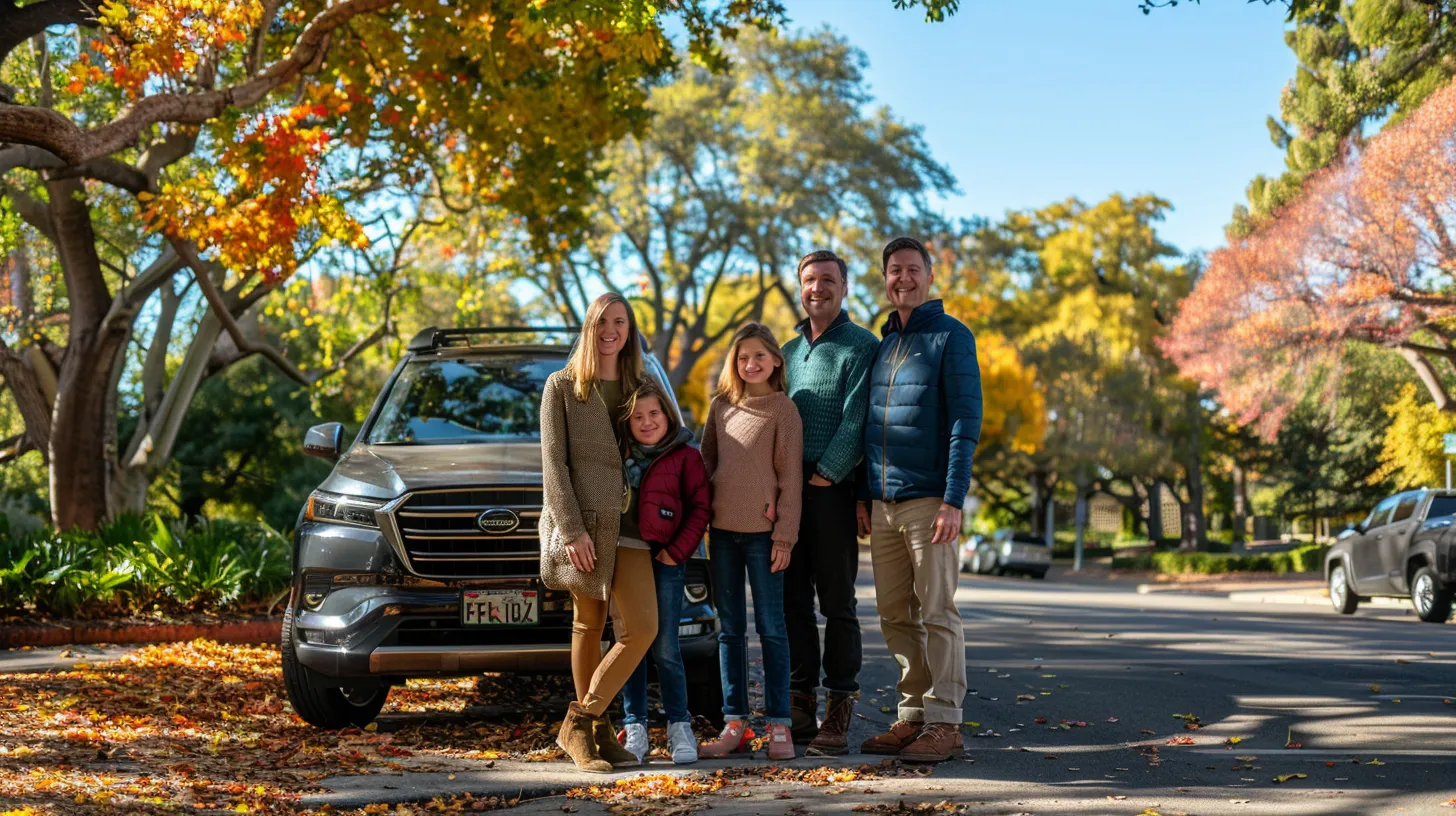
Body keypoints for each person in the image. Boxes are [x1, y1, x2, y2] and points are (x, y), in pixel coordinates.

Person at [857, 236, 982, 763]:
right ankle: (913, 715)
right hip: (882, 501)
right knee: (893, 614)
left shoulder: (951, 337)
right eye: (893, 271)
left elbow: (964, 420)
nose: (902, 278)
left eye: (912, 269)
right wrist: (865, 494)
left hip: (929, 499)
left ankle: (946, 721)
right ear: (884, 279)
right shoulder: (883, 344)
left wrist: (953, 499)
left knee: (937, 612)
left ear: (929, 278)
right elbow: (870, 425)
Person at [539, 292, 657, 774]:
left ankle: (581, 720)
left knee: (642, 627)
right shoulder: (563, 386)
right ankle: (596, 735)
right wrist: (571, 530)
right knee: (588, 624)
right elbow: (553, 465)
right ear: (589, 326)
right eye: (603, 321)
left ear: (629, 331)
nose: (612, 330)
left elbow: (665, 437)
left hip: (634, 526)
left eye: (621, 322)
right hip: (585, 527)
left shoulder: (641, 382)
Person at [780, 250, 878, 755]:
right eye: (809, 280)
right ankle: (800, 703)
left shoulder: (862, 346)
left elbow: (857, 420)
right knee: (792, 600)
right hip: (785, 491)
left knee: (837, 603)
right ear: (801, 287)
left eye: (827, 280)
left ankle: (839, 709)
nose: (817, 287)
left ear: (844, 287)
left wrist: (827, 475)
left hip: (830, 491)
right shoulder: (786, 350)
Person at [698, 322, 804, 761]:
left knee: (772, 629)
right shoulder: (721, 406)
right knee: (730, 633)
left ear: (776, 360)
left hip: (764, 537)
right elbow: (704, 465)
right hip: (721, 534)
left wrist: (785, 535)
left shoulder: (784, 410)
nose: (751, 364)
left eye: (760, 356)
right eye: (743, 357)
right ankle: (735, 724)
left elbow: (790, 479)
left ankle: (779, 724)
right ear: (734, 363)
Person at [617, 381, 712, 765]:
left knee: (667, 647)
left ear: (667, 414)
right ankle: (635, 727)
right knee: (632, 646)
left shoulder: (686, 456)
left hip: (666, 559)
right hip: (627, 557)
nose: (646, 421)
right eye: (638, 416)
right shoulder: (619, 455)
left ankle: (678, 726)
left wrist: (676, 553)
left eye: (653, 413)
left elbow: (700, 509)